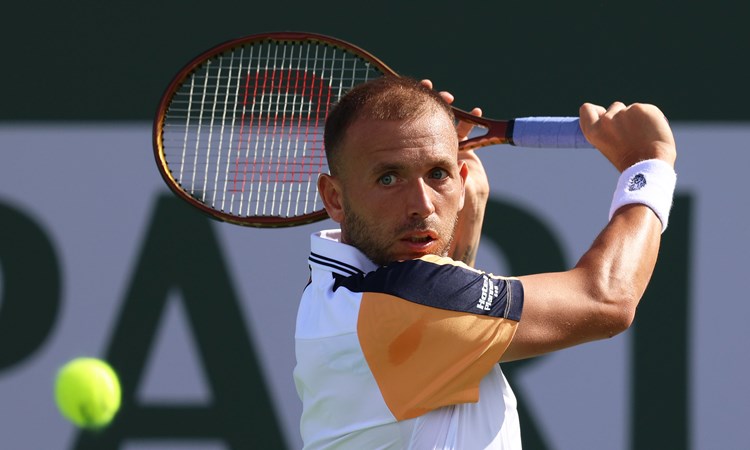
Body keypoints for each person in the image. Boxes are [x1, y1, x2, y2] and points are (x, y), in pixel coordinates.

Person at [293, 76, 677, 449]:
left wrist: (468, 216)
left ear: (460, 181)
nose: (422, 206)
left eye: (437, 174)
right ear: (335, 198)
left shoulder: (331, 292)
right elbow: (606, 298)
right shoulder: (400, 303)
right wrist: (647, 164)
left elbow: (439, 314)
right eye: (389, 178)